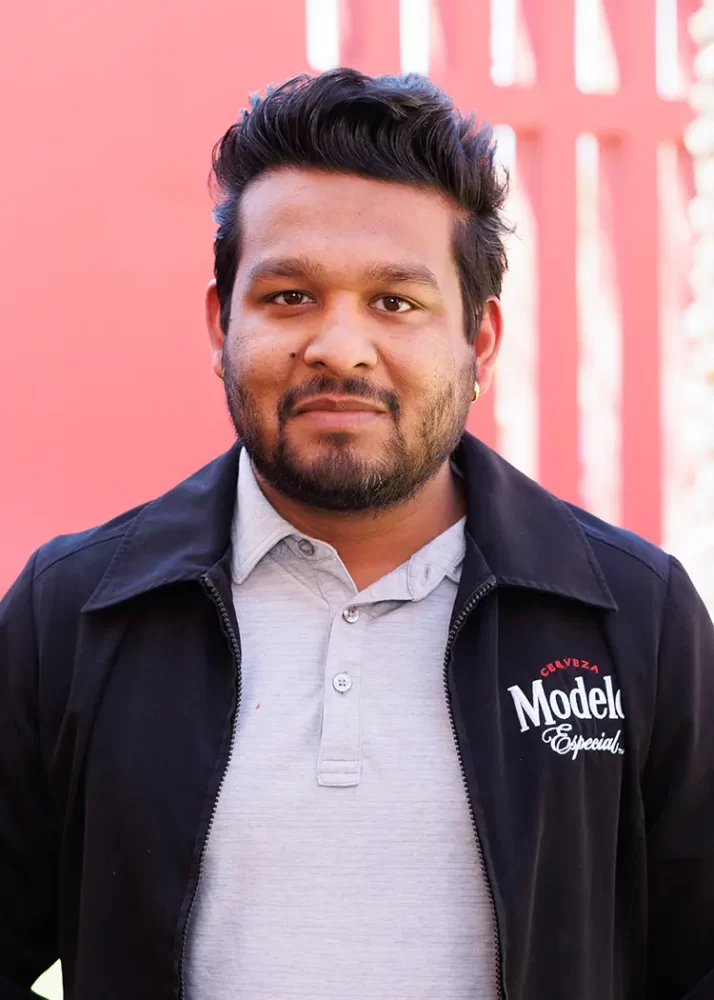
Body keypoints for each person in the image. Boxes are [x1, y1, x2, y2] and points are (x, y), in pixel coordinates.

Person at [1, 68, 713, 1000]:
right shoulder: (73, 614)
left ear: (480, 343)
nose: (338, 347)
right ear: (221, 324)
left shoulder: (633, 617)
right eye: (290, 296)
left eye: (396, 302)